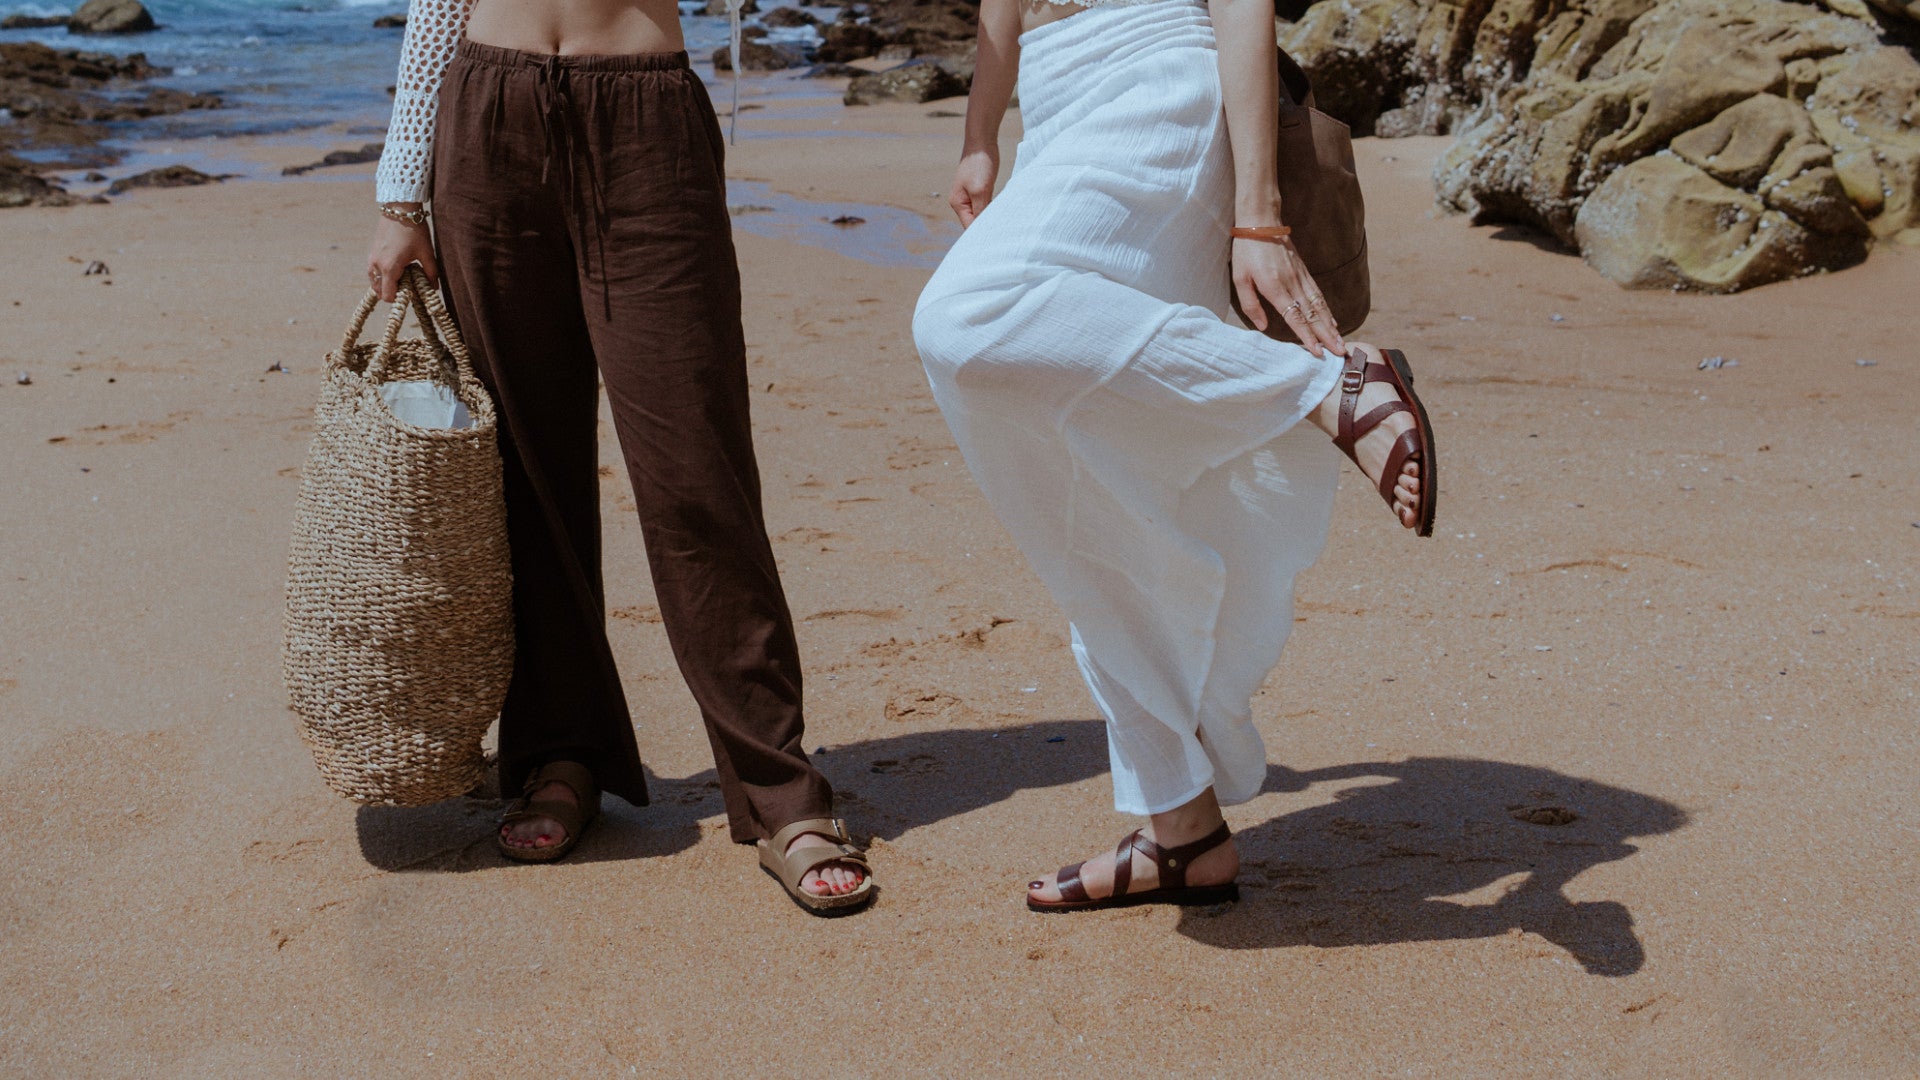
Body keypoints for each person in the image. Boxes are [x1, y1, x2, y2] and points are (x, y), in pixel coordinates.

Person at [912, 0, 1437, 911]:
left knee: (965, 316)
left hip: (1158, 85)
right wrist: (981, 133)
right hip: (1059, 104)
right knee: (1079, 476)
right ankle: (1181, 828)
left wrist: (1259, 216)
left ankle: (1323, 389)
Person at [364, 0, 872, 913]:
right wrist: (401, 196)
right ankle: (558, 753)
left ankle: (779, 786)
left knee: (695, 473)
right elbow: (437, 7)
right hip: (488, 113)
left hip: (644, 120)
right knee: (524, 469)